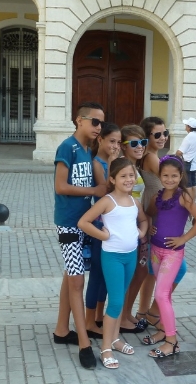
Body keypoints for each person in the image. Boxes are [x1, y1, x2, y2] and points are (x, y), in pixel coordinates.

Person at [78, 158, 148, 369]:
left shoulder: (134, 202)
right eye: (123, 176)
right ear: (113, 179)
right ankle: (105, 348)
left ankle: (115, 339)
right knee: (116, 302)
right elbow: (83, 222)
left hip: (130, 256)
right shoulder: (108, 201)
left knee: (122, 298)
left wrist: (141, 233)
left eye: (131, 175)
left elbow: (143, 220)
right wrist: (103, 236)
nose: (128, 179)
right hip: (113, 258)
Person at [52, 102, 107, 369]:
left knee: (71, 274)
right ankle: (85, 344)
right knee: (77, 282)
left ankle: (62, 330)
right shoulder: (68, 147)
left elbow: (102, 185)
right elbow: (60, 186)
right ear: (79, 120)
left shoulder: (87, 150)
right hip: (69, 225)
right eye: (94, 121)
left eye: (101, 123)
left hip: (84, 224)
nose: (98, 127)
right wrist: (94, 191)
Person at [144, 156, 196, 358]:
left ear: (181, 176)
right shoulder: (157, 197)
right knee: (165, 295)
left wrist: (183, 238)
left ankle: (172, 342)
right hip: (156, 252)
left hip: (172, 253)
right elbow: (148, 213)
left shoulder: (184, 197)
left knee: (161, 294)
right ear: (159, 176)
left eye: (174, 176)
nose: (169, 179)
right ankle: (164, 330)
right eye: (165, 175)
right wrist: (150, 226)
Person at [136, 116, 188, 332]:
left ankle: (145, 312)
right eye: (157, 134)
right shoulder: (151, 157)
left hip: (156, 209)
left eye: (165, 133)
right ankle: (153, 311)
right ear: (147, 137)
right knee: (178, 268)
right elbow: (172, 177)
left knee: (151, 270)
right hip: (156, 211)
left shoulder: (150, 155)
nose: (163, 137)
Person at [84, 123, 122, 338]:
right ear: (100, 140)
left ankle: (99, 316)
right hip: (100, 225)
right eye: (112, 141)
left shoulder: (111, 161)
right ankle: (89, 320)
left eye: (119, 142)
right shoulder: (98, 163)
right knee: (97, 274)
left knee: (106, 276)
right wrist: (114, 163)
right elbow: (107, 190)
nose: (115, 146)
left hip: (113, 224)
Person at [117, 124, 149, 334]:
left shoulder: (135, 166)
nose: (140, 146)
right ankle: (121, 318)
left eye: (143, 142)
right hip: (128, 225)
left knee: (140, 270)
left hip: (137, 223)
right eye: (134, 143)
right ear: (123, 146)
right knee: (132, 272)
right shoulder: (124, 167)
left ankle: (127, 313)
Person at [176, 117, 196, 201]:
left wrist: (175, 156)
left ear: (189, 127)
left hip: (187, 163)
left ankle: (188, 202)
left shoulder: (189, 137)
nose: (185, 127)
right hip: (194, 163)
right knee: (193, 184)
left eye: (186, 125)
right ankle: (193, 201)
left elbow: (180, 152)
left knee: (187, 184)